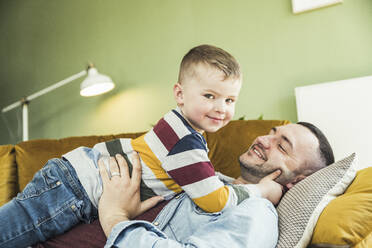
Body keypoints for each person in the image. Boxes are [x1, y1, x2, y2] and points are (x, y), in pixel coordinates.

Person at [0, 44, 275, 248]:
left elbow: (204, 181)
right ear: (179, 94)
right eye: (210, 95)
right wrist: (259, 190)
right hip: (75, 190)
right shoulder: (185, 140)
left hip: (74, 185)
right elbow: (214, 200)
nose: (221, 108)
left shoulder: (183, 130)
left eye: (230, 100)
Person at [97, 122, 334, 247]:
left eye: (282, 146)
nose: (262, 140)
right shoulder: (209, 179)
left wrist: (115, 218)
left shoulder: (257, 214)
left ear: (297, 181)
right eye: (270, 133)